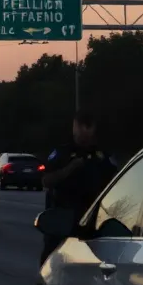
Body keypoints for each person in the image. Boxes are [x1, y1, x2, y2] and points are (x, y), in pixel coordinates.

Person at [39, 111, 119, 267]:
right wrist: (70, 169)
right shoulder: (63, 153)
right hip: (62, 224)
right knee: (51, 268)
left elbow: (117, 183)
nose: (83, 132)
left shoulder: (102, 156)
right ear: (74, 127)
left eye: (88, 127)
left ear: (93, 129)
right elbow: (46, 181)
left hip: (94, 225)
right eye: (80, 126)